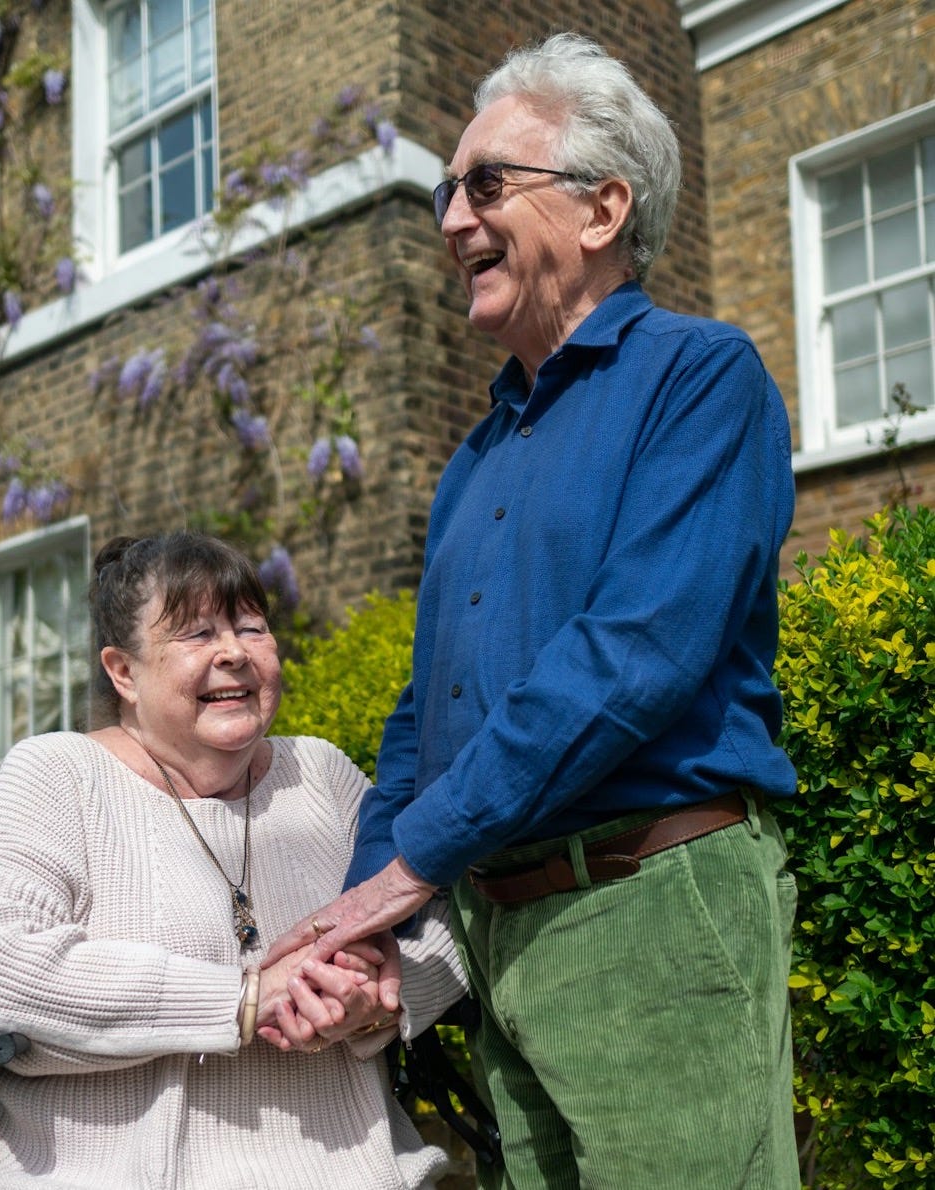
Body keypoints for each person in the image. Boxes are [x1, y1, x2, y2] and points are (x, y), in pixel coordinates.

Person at [264, 32, 801, 1190]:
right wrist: (368, 920)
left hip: (650, 908)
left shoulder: (703, 377)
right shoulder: (474, 454)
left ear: (603, 209)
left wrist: (413, 861)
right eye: (448, 189)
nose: (453, 217)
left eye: (487, 183)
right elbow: (429, 708)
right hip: (502, 931)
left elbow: (635, 655)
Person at [0, 530, 466, 1189]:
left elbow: (450, 921)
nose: (234, 653)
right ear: (123, 671)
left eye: (251, 627)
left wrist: (376, 997)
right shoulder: (59, 777)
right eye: (197, 634)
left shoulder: (319, 775)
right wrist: (243, 999)